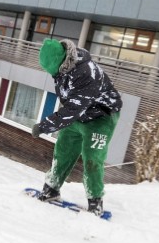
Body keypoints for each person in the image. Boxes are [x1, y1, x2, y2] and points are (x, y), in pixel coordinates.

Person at [32, 38, 122, 216]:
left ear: (61, 61)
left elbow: (72, 109)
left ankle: (95, 202)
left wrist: (44, 126)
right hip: (79, 114)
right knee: (63, 150)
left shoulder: (86, 74)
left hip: (101, 117)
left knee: (92, 159)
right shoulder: (63, 68)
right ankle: (51, 189)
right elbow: (71, 106)